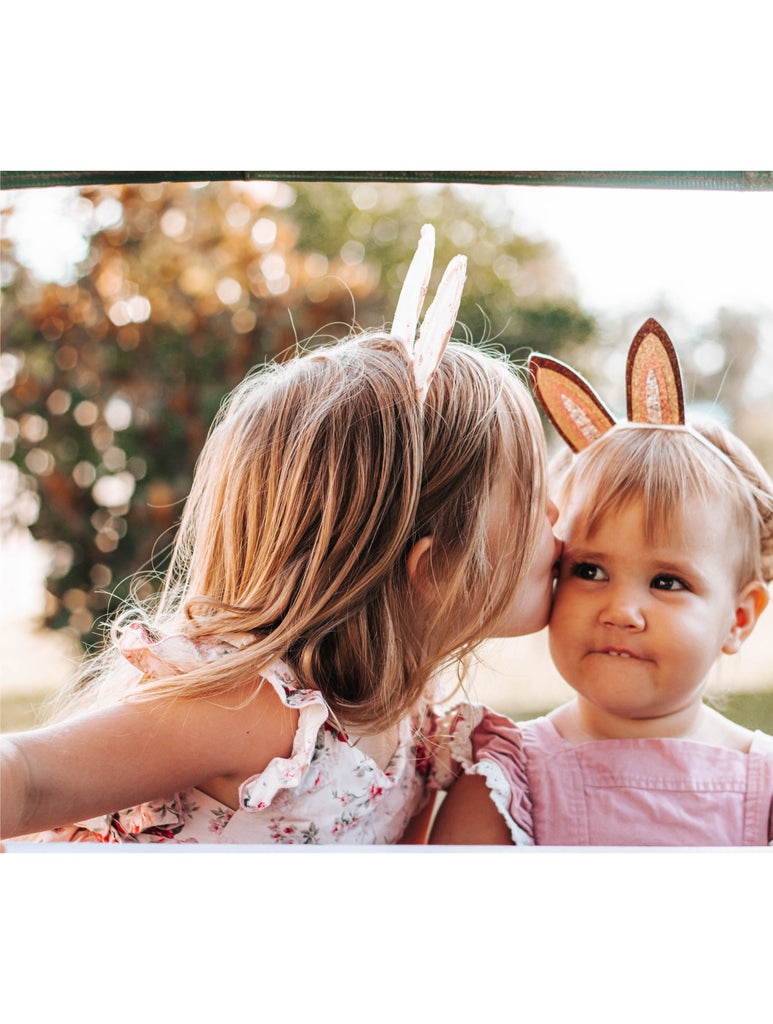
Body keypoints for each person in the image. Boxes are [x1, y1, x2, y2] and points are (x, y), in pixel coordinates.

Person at [0, 225, 560, 845]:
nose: (558, 516)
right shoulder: (256, 711)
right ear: (434, 570)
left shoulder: (413, 722)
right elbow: (26, 778)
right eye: (535, 499)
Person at [429, 319, 773, 846]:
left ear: (737, 619)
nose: (622, 610)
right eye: (590, 571)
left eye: (668, 582)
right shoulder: (507, 781)